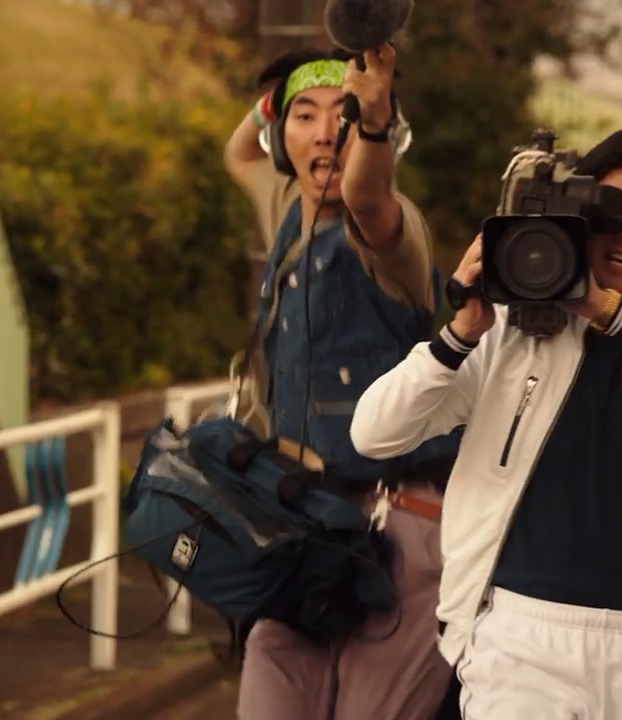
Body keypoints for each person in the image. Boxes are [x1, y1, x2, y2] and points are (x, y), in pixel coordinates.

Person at [351, 124, 622, 720]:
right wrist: (459, 334)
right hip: (520, 638)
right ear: (579, 220)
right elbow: (374, 433)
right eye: (612, 212)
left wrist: (602, 307)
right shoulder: (504, 339)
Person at [221, 43, 460, 720]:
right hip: (302, 529)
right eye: (305, 116)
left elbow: (365, 193)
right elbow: (237, 154)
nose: (326, 132)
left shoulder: (393, 232)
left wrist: (372, 121)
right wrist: (275, 96)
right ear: (280, 139)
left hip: (397, 533)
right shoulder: (288, 206)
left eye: (345, 116)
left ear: (384, 134)